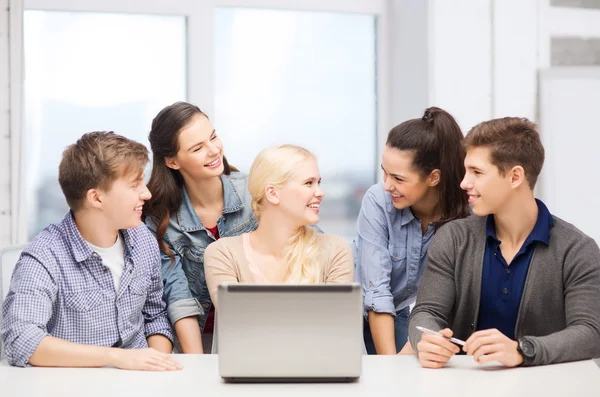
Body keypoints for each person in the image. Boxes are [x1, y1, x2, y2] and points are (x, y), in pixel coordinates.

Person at [408, 117, 600, 368]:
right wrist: (428, 338)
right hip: (460, 385)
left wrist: (523, 351)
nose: (464, 183)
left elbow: (590, 333)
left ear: (515, 177)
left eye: (476, 172)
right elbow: (425, 313)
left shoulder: (577, 250)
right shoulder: (453, 239)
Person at [1, 132, 181, 371]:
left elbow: (155, 317)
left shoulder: (143, 241)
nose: (146, 194)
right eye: (134, 184)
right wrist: (116, 358)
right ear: (96, 198)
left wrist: (155, 365)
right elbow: (21, 340)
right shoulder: (44, 255)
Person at [353, 107, 469, 355]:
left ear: (433, 178)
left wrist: (402, 361)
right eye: (384, 172)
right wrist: (390, 366)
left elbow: (447, 301)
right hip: (353, 310)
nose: (387, 185)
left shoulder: (467, 216)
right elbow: (377, 292)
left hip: (399, 310)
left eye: (398, 178)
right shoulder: (378, 201)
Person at [144, 102, 256, 353]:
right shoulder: (159, 219)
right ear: (172, 162)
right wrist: (197, 365)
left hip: (253, 337)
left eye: (213, 137)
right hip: (194, 342)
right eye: (197, 148)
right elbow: (178, 298)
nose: (214, 150)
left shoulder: (254, 193)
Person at [204, 144, 354, 309]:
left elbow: (336, 326)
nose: (320, 192)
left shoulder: (336, 250)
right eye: (309, 183)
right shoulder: (223, 254)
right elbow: (239, 327)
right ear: (273, 193)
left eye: (318, 182)